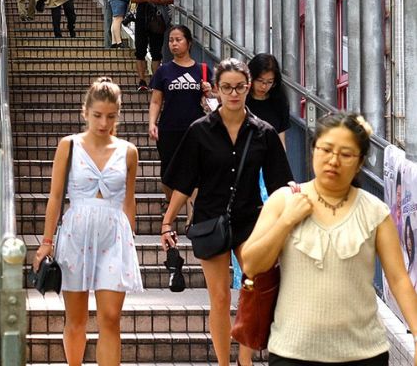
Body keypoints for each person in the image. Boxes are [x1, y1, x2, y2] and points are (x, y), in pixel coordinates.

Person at [241, 112, 417, 366]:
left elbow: (399, 279)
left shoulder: (375, 211)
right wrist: (286, 221)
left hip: (364, 354)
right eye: (326, 149)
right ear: (313, 150)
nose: (333, 160)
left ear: (359, 163)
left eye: (345, 154)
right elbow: (251, 265)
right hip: (293, 353)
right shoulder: (283, 200)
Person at [160, 58, 292, 366]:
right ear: (216, 90)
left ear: (248, 88)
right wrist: (168, 221)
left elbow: (280, 185)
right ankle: (223, 363)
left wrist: (291, 216)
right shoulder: (199, 131)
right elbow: (184, 181)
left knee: (254, 287)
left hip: (250, 221)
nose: (234, 94)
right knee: (219, 298)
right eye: (227, 88)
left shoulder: (263, 133)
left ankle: (244, 360)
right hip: (210, 219)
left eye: (240, 87)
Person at [33, 77, 142, 366]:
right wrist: (46, 243)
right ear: (85, 112)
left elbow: (128, 200)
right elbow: (55, 198)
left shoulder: (128, 151)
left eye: (110, 116)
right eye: (97, 115)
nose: (103, 122)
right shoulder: (68, 146)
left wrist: (130, 240)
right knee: (76, 319)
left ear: (118, 114)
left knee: (110, 318)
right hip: (75, 233)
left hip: (114, 236)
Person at [148, 26, 211, 210]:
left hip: (197, 129)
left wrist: (210, 91)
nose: (174, 44)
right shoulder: (163, 71)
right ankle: (170, 204)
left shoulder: (203, 70)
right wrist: (152, 123)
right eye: (171, 40)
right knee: (168, 172)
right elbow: (156, 101)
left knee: (195, 171)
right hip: (169, 129)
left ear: (189, 42)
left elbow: (218, 99)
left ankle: (192, 215)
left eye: (178, 40)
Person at [130, 0, 174, 92]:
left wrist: (161, 1)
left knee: (156, 52)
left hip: (157, 22)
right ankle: (142, 80)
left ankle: (155, 81)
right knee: (140, 51)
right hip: (141, 21)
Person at [246, 53, 291, 145]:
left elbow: (280, 140)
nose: (263, 86)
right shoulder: (241, 99)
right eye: (259, 80)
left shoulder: (279, 102)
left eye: (269, 82)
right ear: (251, 77)